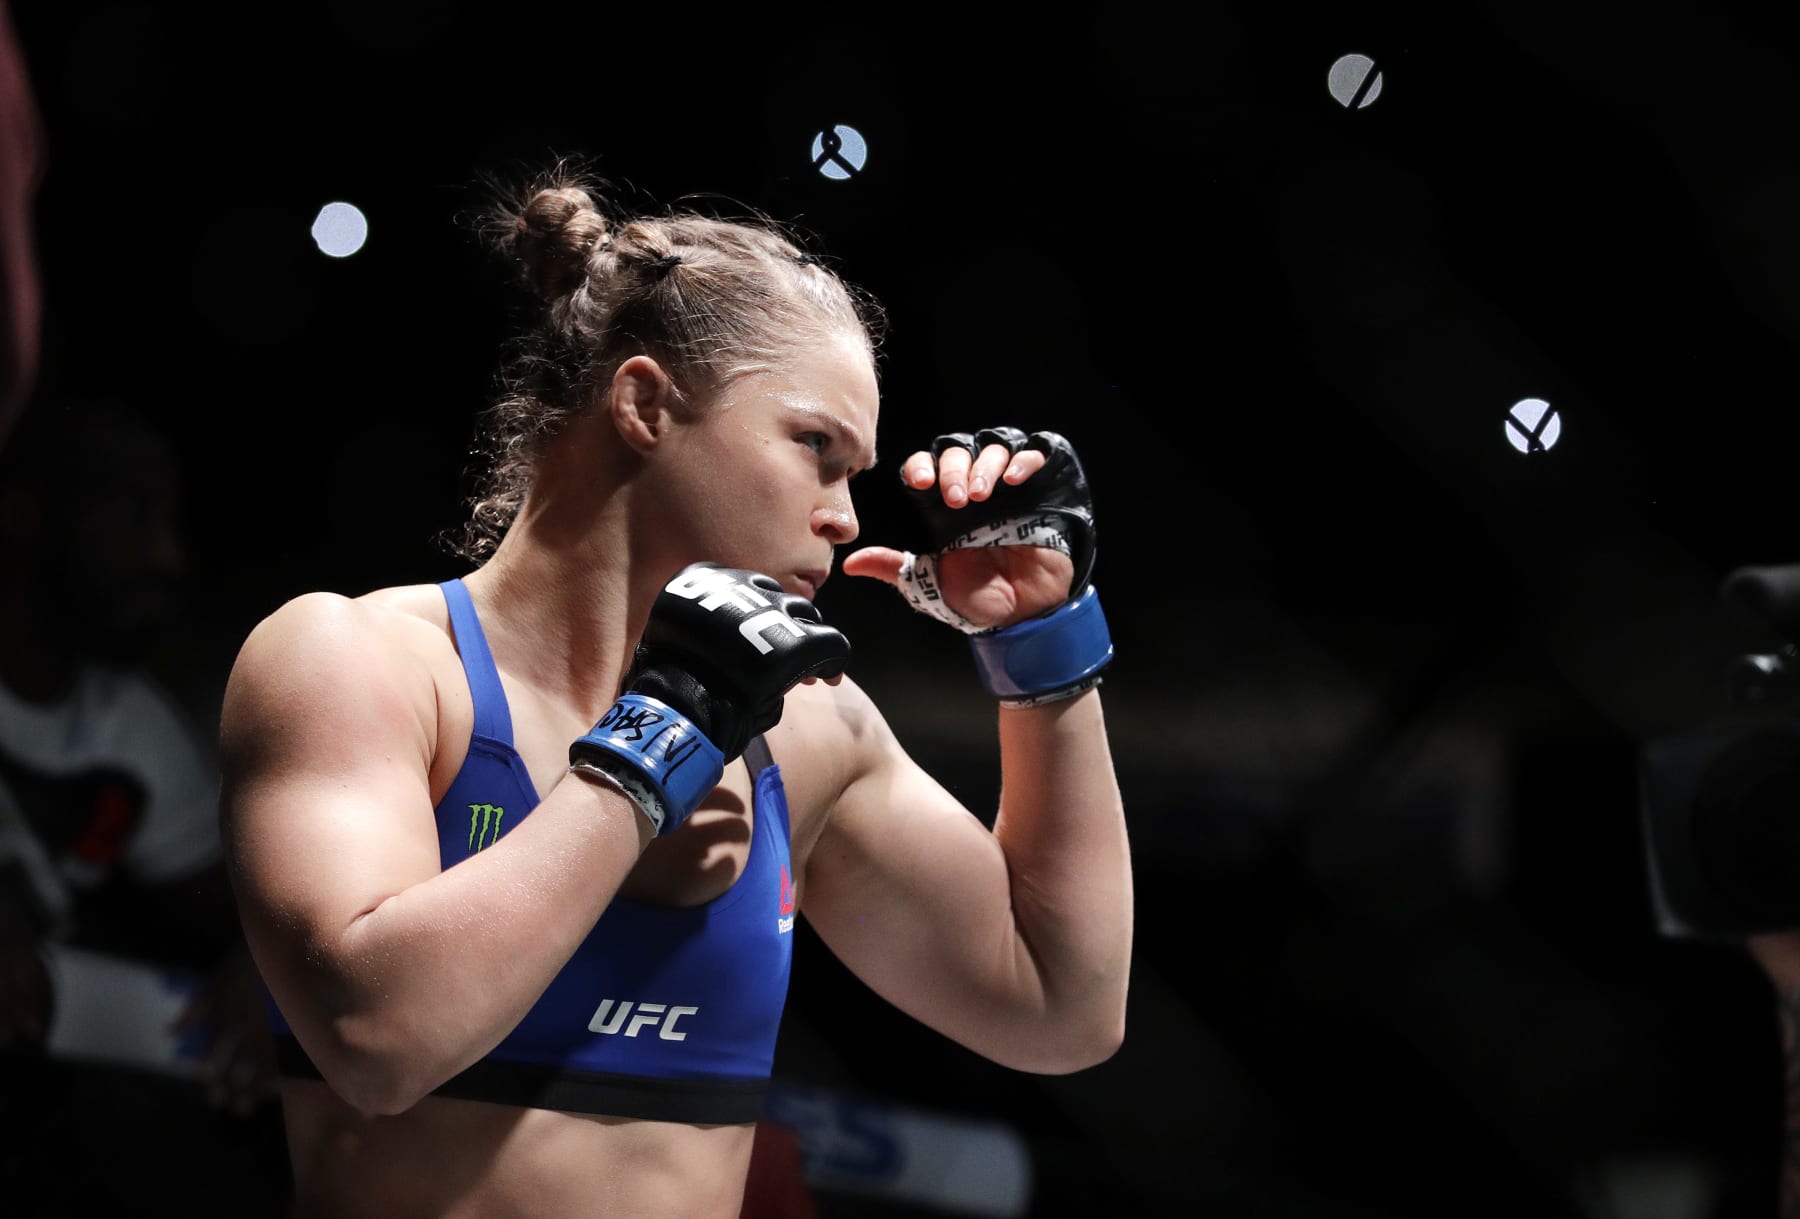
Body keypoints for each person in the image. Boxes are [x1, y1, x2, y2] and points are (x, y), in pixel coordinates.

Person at [219, 164, 1133, 1219]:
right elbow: (376, 1043)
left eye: (855, 474)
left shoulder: (810, 734)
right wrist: (660, 738)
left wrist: (1041, 643)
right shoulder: (360, 664)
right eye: (816, 447)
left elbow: (1061, 1007)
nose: (845, 517)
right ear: (645, 403)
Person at [0, 397, 285, 1216]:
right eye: (133, 519)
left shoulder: (130, 726)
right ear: (24, 516)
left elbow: (221, 913)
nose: (166, 557)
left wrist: (259, 970)